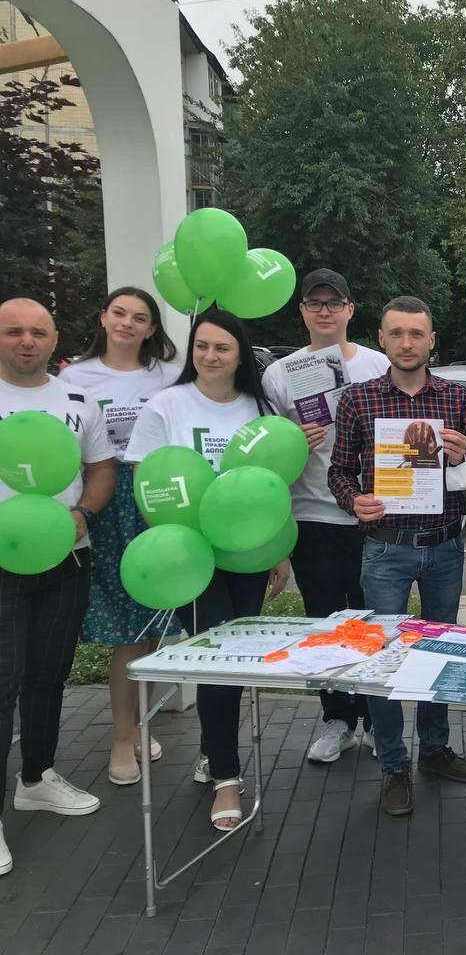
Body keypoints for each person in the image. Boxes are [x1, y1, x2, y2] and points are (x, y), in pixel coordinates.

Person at [124, 306, 291, 831]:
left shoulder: (256, 407)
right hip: (189, 554)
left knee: (233, 661)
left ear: (240, 355)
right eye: (201, 346)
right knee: (221, 657)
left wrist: (277, 551)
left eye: (222, 347)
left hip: (246, 554)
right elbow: (148, 485)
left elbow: (270, 486)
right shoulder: (166, 405)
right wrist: (174, 544)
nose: (210, 355)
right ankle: (226, 776)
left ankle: (209, 749)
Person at [328, 296, 466, 818]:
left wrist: (463, 460)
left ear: (432, 340)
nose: (408, 343)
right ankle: (394, 765)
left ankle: (435, 750)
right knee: (385, 660)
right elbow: (338, 472)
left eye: (417, 333)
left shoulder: (457, 400)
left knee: (441, 656)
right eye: (397, 333)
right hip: (386, 549)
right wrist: (355, 499)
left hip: (442, 546)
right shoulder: (357, 401)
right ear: (383, 338)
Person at [0, 298, 115, 874]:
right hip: (1, 561)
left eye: (37, 331)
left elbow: (101, 468)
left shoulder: (77, 397)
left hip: (67, 556)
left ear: (53, 338)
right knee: (3, 680)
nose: (26, 341)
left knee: (48, 674)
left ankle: (36, 777)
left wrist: (85, 516)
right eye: (13, 331)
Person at [260, 269, 389, 763]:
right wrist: (294, 441)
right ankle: (337, 719)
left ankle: (378, 720)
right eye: (315, 303)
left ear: (350, 310)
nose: (324, 311)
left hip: (371, 515)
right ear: (302, 312)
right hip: (312, 514)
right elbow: (269, 455)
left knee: (374, 622)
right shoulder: (279, 374)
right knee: (324, 625)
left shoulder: (378, 364)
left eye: (334, 303)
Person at [60, 287, 183, 787]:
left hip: (159, 497)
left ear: (152, 328)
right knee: (124, 630)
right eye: (119, 314)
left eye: (140, 317)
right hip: (106, 498)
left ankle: (141, 722)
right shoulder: (75, 376)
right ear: (103, 319)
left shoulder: (168, 377)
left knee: (153, 621)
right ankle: (120, 735)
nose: (128, 324)